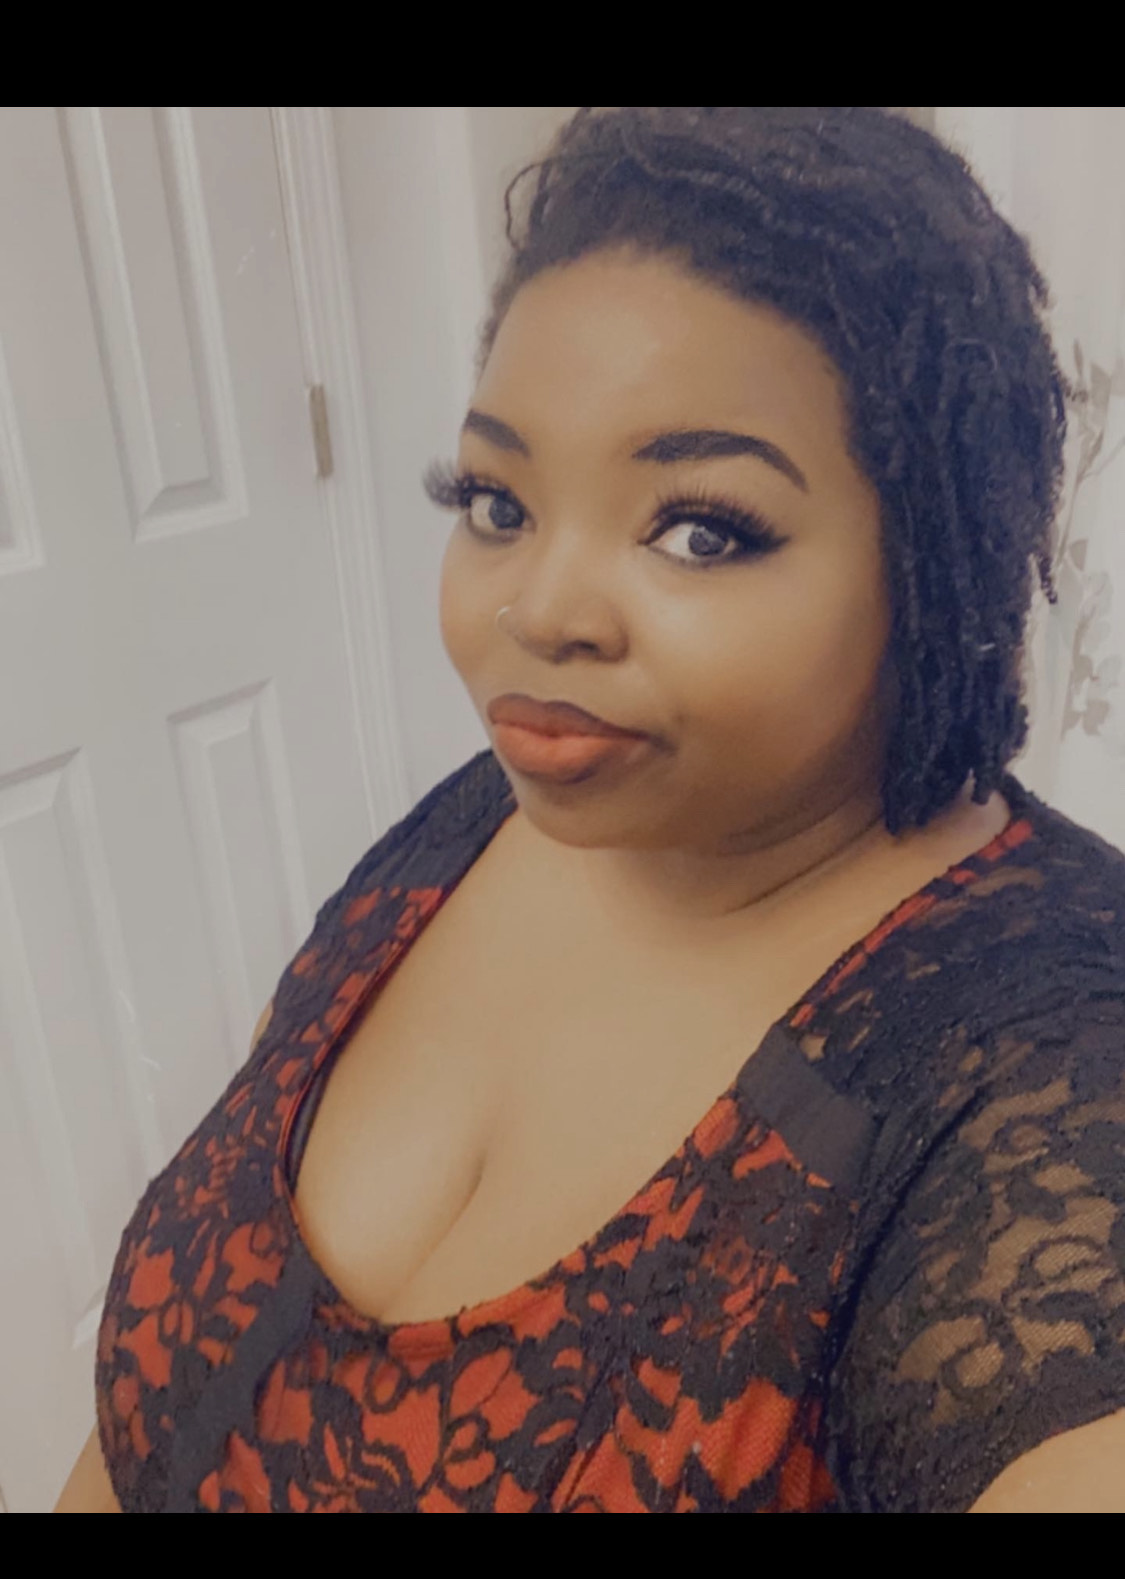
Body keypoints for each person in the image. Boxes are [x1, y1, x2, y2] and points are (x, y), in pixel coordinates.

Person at [57, 106, 1125, 1514]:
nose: (537, 610)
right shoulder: (472, 827)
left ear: (934, 559)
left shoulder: (1046, 1073)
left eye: (700, 529)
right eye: (496, 502)